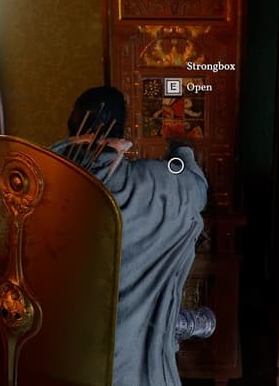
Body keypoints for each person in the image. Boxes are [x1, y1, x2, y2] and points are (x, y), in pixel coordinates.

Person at [51, 86, 207, 386]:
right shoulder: (154, 184)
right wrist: (181, 152)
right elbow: (196, 188)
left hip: (61, 358)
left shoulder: (41, 180)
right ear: (123, 130)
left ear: (72, 125)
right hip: (135, 365)